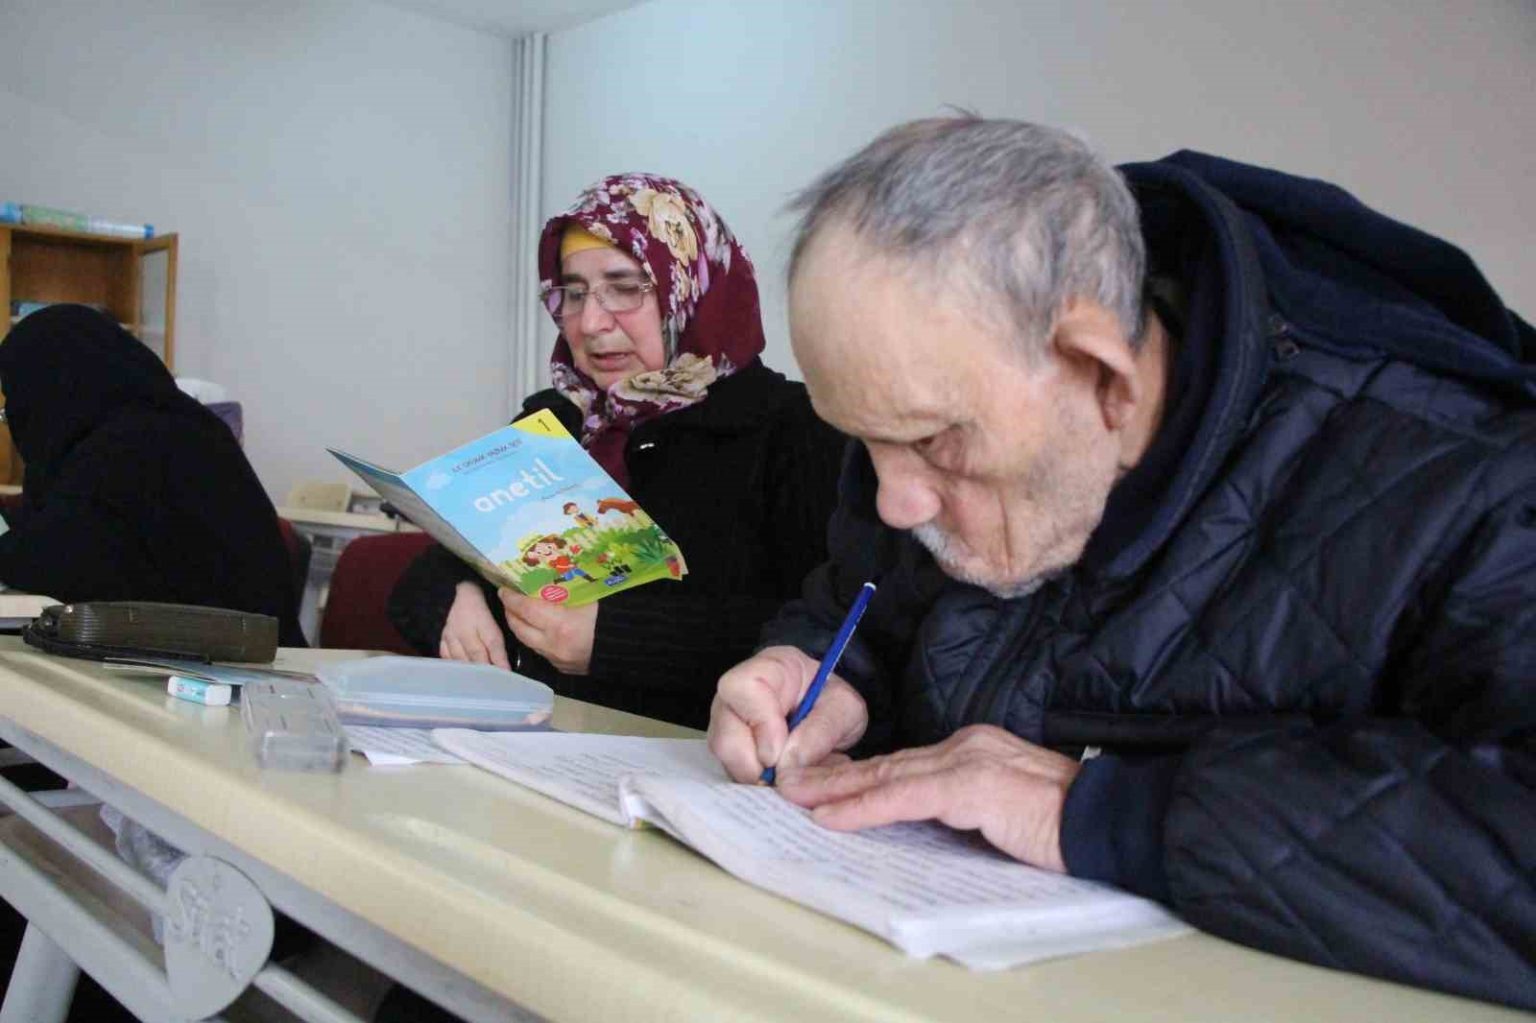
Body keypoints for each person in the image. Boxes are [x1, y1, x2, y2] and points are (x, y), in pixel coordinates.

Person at [709, 118, 1535, 1008]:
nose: (894, 502)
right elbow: (863, 603)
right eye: (862, 441)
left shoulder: (1473, 484)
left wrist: (1099, 811)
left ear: (1105, 374)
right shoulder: (926, 412)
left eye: (933, 441)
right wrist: (825, 671)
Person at [389, 174, 843, 728]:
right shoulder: (561, 419)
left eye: (625, 288)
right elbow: (427, 569)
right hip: (527, 743)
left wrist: (613, 639)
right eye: (574, 293)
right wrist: (453, 595)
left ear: (691, 290)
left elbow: (827, 635)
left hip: (696, 759)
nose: (591, 322)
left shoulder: (791, 429)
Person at [0, 304, 304, 644]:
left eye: (16, 401)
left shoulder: (135, 446)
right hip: (189, 653)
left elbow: (52, 563)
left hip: (239, 665)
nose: (16, 419)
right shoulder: (161, 426)